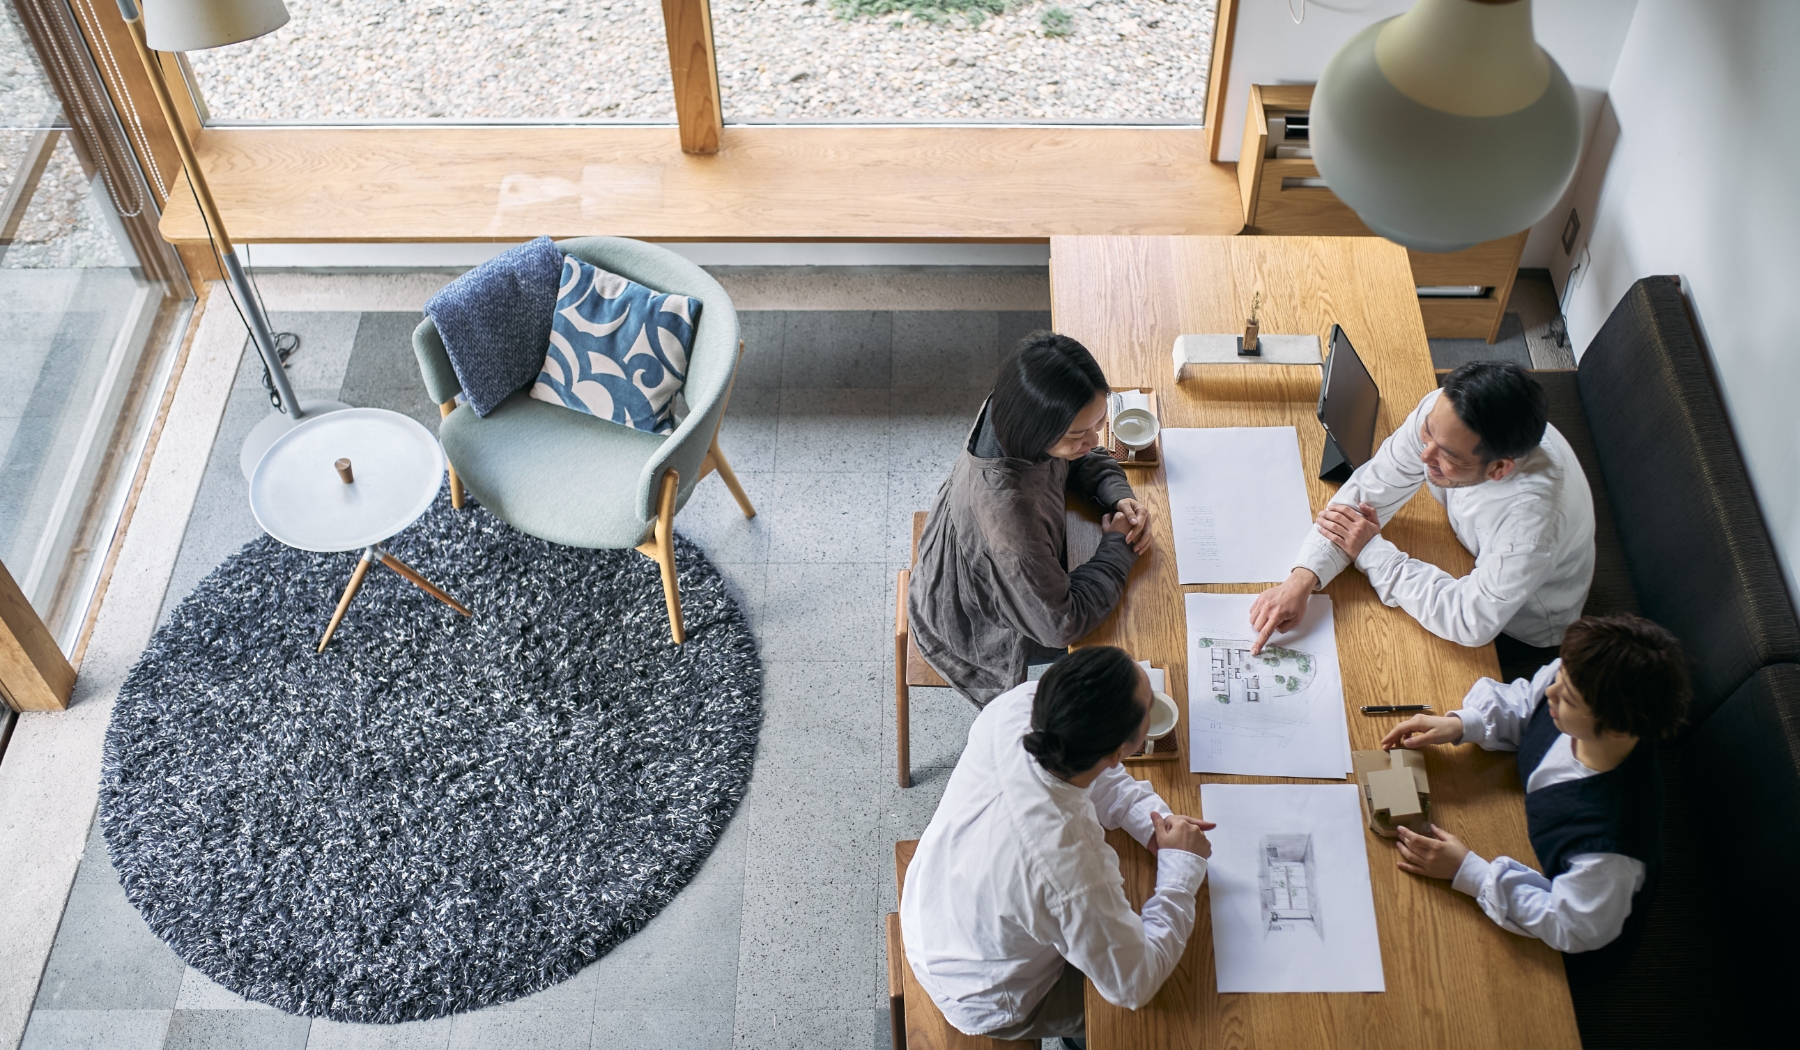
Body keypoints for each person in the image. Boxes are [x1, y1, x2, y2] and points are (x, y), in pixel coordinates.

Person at [900, 646, 1213, 1043]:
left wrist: (1150, 822)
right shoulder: (1072, 865)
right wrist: (1180, 869)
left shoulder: (1022, 705)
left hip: (933, 905)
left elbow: (1092, 773)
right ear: (1122, 751)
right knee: (1166, 1016)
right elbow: (1134, 983)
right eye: (1148, 703)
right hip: (982, 990)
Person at [1378, 614, 1689, 978]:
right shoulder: (1577, 684)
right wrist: (1465, 724)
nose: (1552, 691)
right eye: (1561, 676)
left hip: (1567, 944)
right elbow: (1528, 702)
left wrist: (1470, 872)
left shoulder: (1611, 847)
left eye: (1568, 697)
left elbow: (1571, 926)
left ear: (1618, 730)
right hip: (1530, 844)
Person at [1247, 362, 1595, 666]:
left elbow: (1470, 620)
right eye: (1426, 432)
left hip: (1520, 621)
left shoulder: (1531, 524)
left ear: (1499, 469)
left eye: (1447, 456)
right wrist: (1301, 580)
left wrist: (1372, 552)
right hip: (1462, 549)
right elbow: (1369, 490)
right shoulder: (1446, 415)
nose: (1424, 454)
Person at [910, 332, 1153, 704]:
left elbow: (1079, 458)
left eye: (1099, 421)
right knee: (1135, 633)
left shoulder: (1014, 409)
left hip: (992, 557)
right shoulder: (1010, 517)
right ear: (1038, 429)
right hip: (975, 617)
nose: (1093, 439)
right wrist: (1118, 547)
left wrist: (1116, 493)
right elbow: (1062, 626)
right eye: (1078, 434)